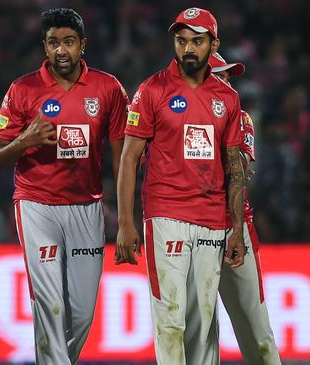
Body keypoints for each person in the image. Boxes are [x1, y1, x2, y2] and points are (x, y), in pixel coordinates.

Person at [0, 8, 129, 364]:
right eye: (53, 43)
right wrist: (25, 140)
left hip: (86, 206)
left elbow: (123, 156)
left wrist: (127, 218)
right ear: (45, 46)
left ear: (83, 44)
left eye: (68, 42)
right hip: (37, 206)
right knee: (49, 305)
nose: (61, 51)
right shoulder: (23, 90)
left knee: (81, 314)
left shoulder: (108, 88)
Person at [115, 7, 246, 365]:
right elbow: (128, 159)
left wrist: (236, 228)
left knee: (203, 321)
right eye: (181, 40)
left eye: (197, 41)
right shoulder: (151, 90)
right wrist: (126, 223)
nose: (188, 48)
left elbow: (235, 166)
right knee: (169, 317)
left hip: (212, 218)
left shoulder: (228, 99)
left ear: (213, 44)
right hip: (165, 213)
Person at [210, 52, 282, 365]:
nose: (228, 84)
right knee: (195, 332)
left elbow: (237, 171)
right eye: (219, 76)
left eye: (229, 78)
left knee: (257, 330)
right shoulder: (173, 113)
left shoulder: (241, 118)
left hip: (233, 226)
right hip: (186, 225)